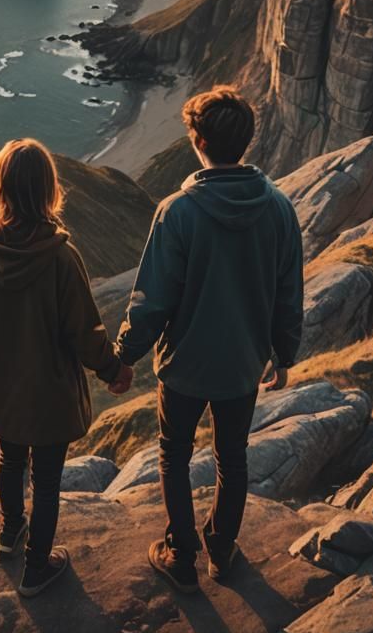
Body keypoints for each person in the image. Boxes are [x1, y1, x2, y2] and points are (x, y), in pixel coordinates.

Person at [115, 85, 303, 592]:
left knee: (174, 454)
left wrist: (124, 356)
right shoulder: (280, 210)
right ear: (247, 140)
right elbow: (289, 292)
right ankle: (221, 549)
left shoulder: (177, 212)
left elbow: (151, 300)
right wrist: (284, 354)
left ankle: (181, 554)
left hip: (184, 366)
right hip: (243, 364)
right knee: (232, 457)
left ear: (196, 141)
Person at [0, 139, 133, 597]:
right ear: (47, 190)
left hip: (0, 387)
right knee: (47, 478)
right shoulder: (59, 257)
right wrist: (112, 369)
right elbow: (84, 331)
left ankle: (10, 532)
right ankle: (37, 566)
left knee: (10, 459)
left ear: (1, 187)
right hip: (49, 391)